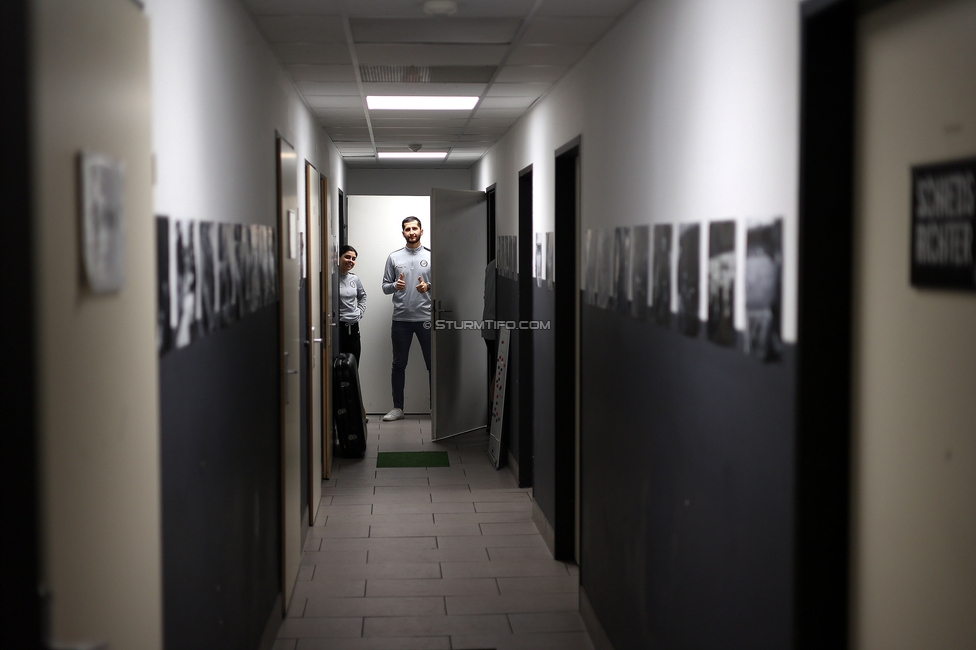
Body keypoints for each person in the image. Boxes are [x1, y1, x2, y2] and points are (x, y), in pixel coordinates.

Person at [381, 216, 432, 421]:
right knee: (398, 364)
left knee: (432, 365)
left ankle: (435, 407)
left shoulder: (431, 256)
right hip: (401, 319)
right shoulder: (394, 258)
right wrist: (395, 286)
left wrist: (429, 287)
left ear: (421, 231)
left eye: (414, 228)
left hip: (426, 318)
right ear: (403, 233)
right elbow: (385, 287)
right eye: (407, 229)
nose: (411, 232)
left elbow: (444, 282)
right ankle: (398, 408)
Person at [337, 245, 366, 365]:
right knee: (337, 367)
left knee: (353, 365)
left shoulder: (354, 278)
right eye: (347, 257)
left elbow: (363, 296)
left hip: (353, 327)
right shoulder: (330, 278)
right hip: (338, 327)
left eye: (353, 259)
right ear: (338, 258)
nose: (350, 261)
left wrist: (360, 312)